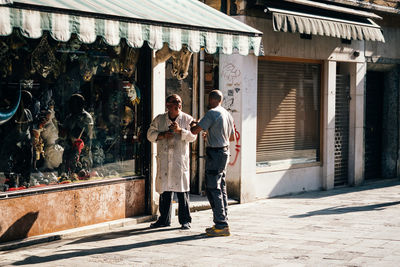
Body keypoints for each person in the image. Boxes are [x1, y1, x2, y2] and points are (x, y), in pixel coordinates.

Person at [147, 94, 197, 230]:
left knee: (182, 193)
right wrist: (162, 135)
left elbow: (193, 137)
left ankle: (185, 220)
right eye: (174, 102)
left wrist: (181, 131)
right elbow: (149, 134)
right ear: (168, 105)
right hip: (164, 160)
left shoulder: (187, 119)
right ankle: (164, 219)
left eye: (179, 102)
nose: (178, 105)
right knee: (165, 192)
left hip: (179, 162)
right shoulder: (160, 119)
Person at [190, 90, 235, 237]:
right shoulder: (227, 114)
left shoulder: (212, 113)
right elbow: (232, 137)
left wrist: (194, 124)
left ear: (211, 99)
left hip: (215, 153)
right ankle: (223, 221)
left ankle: (221, 224)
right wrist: (211, 134)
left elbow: (195, 131)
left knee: (212, 188)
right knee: (221, 187)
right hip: (225, 152)